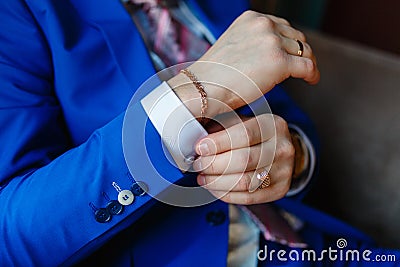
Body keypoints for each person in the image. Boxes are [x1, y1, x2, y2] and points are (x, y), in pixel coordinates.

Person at [0, 0, 398, 266]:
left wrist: (292, 157)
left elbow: (285, 118)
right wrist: (185, 99)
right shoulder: (17, 14)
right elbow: (11, 237)